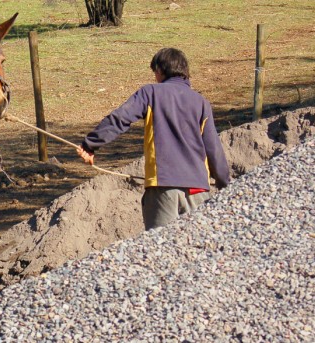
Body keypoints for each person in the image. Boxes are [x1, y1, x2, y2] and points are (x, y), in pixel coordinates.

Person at [77, 47, 230, 230]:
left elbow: (120, 119)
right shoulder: (201, 102)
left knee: (160, 250)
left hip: (163, 187)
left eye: (154, 73)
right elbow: (213, 147)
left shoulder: (150, 93)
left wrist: (90, 145)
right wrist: (224, 184)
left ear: (160, 70)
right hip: (198, 189)